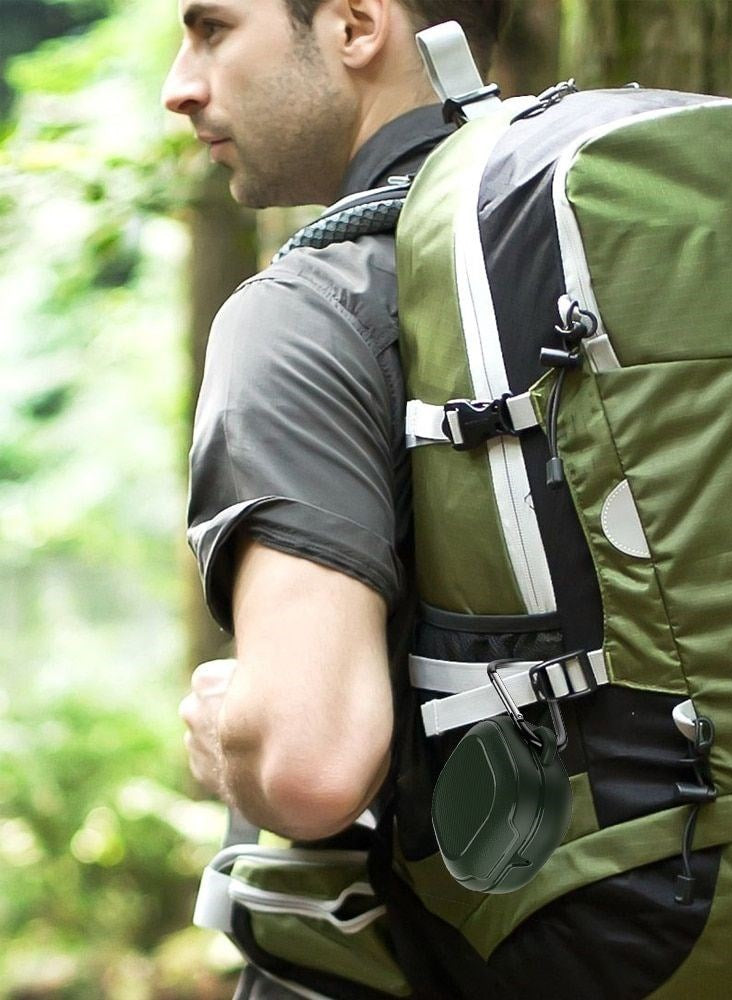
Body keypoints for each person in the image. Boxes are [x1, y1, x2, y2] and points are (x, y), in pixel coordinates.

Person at [162, 0, 506, 995]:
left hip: (471, 950)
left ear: (356, 25)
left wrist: (232, 730)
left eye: (212, 29)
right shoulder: (613, 258)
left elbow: (307, 762)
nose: (180, 86)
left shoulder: (311, 309)